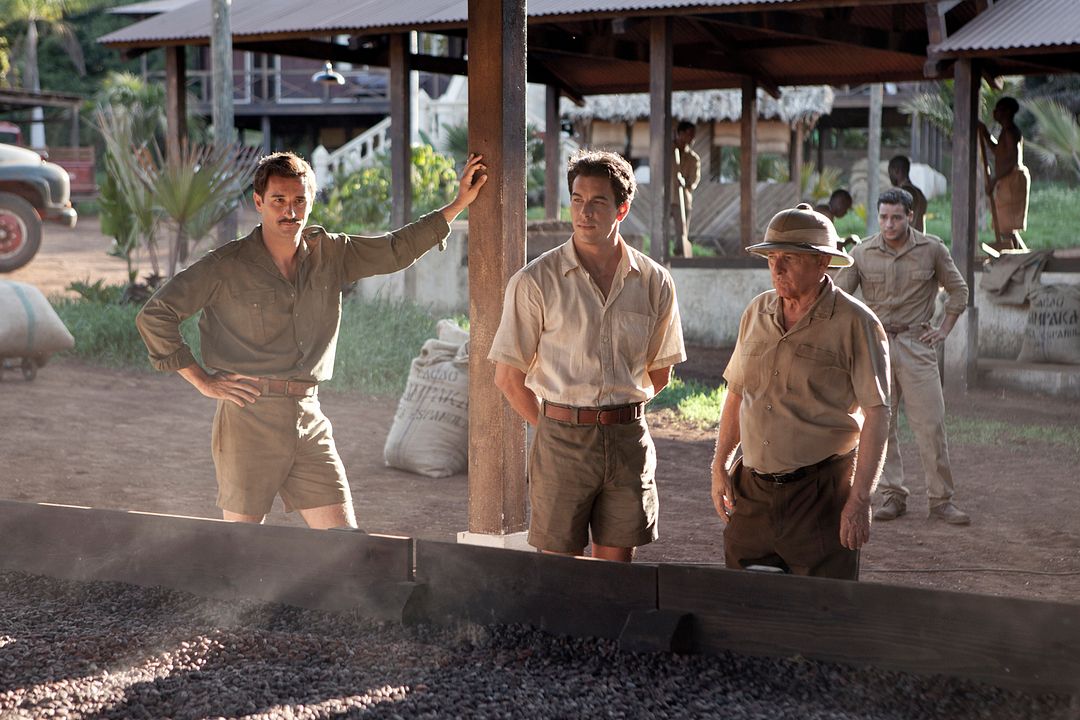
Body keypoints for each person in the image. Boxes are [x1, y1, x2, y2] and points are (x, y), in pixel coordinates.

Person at [136, 151, 488, 529]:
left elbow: (393, 249)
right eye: (279, 200)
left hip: (309, 416)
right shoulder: (225, 265)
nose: (290, 211)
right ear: (258, 202)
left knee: (345, 542)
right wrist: (202, 381)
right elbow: (155, 315)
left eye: (299, 200)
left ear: (310, 201)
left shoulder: (331, 253)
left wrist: (458, 204)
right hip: (248, 418)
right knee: (241, 546)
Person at [490, 149, 686, 562]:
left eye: (598, 201)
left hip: (628, 438)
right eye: (577, 200)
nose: (584, 212)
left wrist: (615, 413)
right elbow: (507, 378)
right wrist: (555, 425)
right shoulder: (535, 281)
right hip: (560, 438)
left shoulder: (654, 281)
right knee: (559, 568)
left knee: (616, 571)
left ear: (621, 209)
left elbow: (660, 371)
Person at [710, 203, 890, 580]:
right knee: (743, 600)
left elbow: (877, 413)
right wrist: (720, 463)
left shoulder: (855, 323)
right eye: (772, 257)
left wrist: (859, 499)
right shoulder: (756, 312)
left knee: (821, 606)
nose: (777, 268)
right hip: (753, 492)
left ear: (823, 262)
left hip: (820, 495)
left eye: (789, 258)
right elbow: (737, 393)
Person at [835, 188, 970, 526]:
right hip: (875, 345)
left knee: (931, 424)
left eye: (896, 217)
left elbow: (959, 290)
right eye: (883, 217)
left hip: (916, 343)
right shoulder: (862, 252)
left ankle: (941, 500)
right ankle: (892, 495)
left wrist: (944, 330)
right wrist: (853, 336)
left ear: (910, 216)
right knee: (882, 425)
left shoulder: (932, 249)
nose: (889, 224)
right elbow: (836, 295)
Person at [978, 96, 1030, 252]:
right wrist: (985, 134)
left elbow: (1012, 160)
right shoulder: (1005, 132)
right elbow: (999, 152)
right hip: (1008, 180)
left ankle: (1022, 257)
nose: (994, 113)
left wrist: (994, 180)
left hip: (1012, 180)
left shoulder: (1010, 132)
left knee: (1006, 228)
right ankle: (1022, 256)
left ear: (1007, 112)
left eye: (998, 110)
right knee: (1005, 227)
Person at [671, 120, 701, 258]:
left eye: (693, 135)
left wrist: (684, 182)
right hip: (666, 198)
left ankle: (680, 257)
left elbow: (694, 181)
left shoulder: (693, 159)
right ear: (680, 133)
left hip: (683, 200)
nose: (692, 138)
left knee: (682, 233)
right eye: (689, 134)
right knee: (661, 230)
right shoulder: (668, 154)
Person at [888, 155, 928, 233]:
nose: (889, 176)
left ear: (896, 170)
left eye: (890, 172)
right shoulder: (920, 194)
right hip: (920, 238)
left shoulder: (900, 194)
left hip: (906, 239)